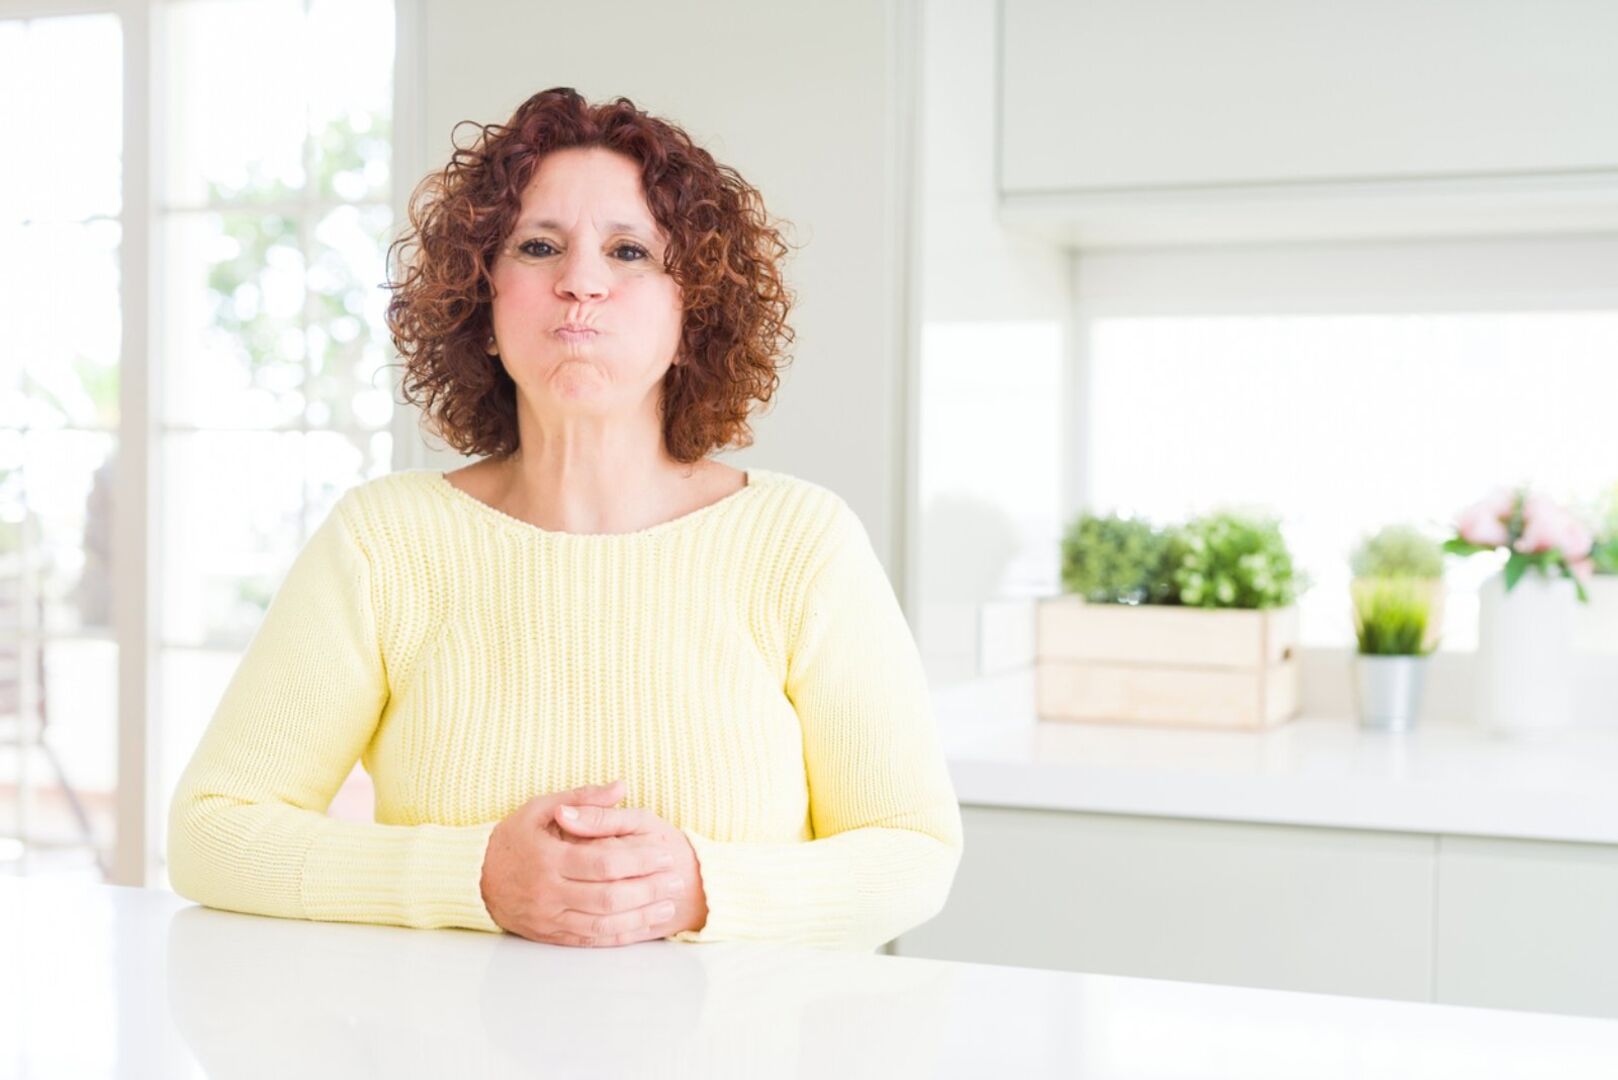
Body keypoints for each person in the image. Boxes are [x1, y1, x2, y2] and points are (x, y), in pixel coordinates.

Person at [167, 87, 964, 952]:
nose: (580, 281)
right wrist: (472, 879)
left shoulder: (803, 544)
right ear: (484, 297)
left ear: (690, 308)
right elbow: (212, 833)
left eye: (629, 251)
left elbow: (914, 852)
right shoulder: (384, 542)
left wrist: (701, 888)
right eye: (538, 246)